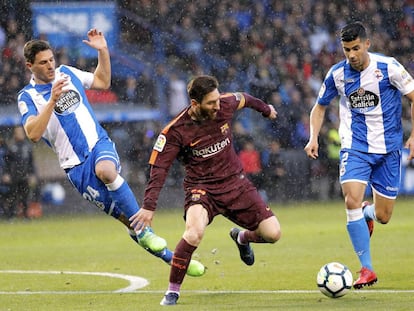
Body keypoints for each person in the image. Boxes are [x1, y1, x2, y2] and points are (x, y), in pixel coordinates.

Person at [16, 28, 204, 276]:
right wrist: (51, 100)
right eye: (43, 62)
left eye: (51, 59)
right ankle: (173, 259)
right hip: (75, 167)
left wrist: (103, 51)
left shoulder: (68, 73)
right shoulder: (26, 97)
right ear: (30, 66)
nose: (50, 66)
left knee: (106, 171)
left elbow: (102, 81)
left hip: (98, 143)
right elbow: (33, 133)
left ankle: (145, 231)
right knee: (127, 220)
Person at [130, 75, 282, 306]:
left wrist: (266, 109)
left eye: (217, 100)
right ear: (194, 104)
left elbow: (246, 98)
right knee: (194, 233)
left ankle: (241, 238)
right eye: (211, 103)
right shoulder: (175, 131)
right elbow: (159, 169)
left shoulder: (224, 103)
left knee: (273, 234)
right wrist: (149, 207)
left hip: (235, 182)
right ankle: (172, 291)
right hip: (201, 189)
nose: (217, 106)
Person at [304, 22, 414, 289]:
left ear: (367, 44)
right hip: (355, 147)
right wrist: (313, 137)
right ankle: (367, 269)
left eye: (355, 48)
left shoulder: (389, 67)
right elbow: (319, 108)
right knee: (351, 199)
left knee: (384, 216)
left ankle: (369, 215)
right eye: (346, 50)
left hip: (389, 150)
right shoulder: (337, 74)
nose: (351, 55)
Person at [3, 126, 37, 218]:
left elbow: (31, 163)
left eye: (21, 132)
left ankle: (26, 215)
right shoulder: (11, 146)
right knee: (12, 196)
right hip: (14, 176)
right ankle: (10, 216)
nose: (20, 134)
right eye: (18, 132)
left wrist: (32, 175)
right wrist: (6, 174)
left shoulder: (27, 146)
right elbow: (6, 162)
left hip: (25, 176)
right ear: (15, 134)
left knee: (26, 197)